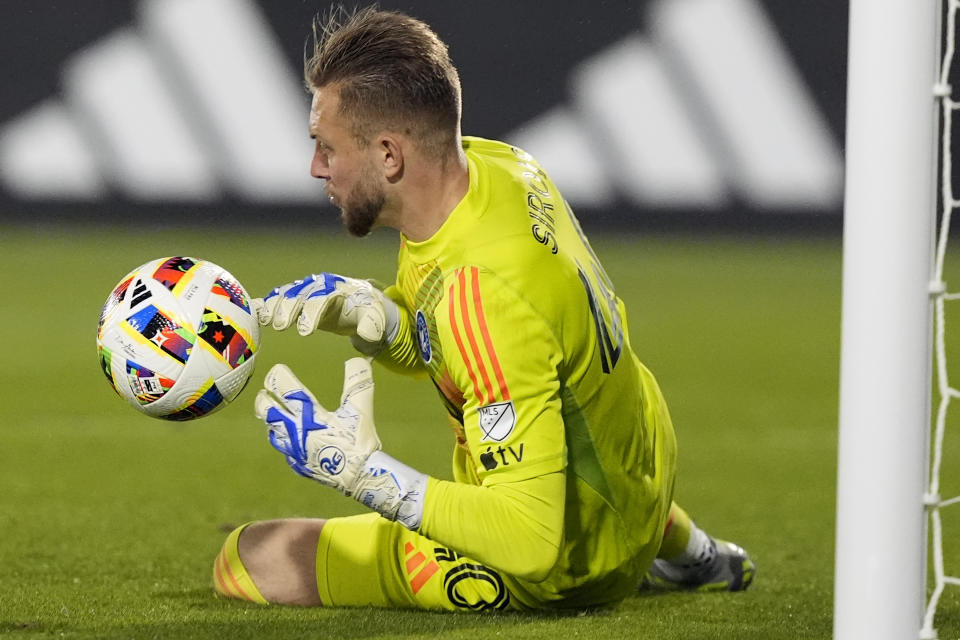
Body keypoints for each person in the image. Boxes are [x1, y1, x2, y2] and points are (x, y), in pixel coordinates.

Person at [211, 6, 755, 610]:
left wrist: (366, 474)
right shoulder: (501, 168)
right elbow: (481, 340)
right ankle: (694, 554)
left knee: (248, 558)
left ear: (390, 155)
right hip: (642, 473)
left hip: (567, 561)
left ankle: (635, 561)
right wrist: (383, 317)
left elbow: (530, 540)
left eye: (326, 147)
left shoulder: (482, 295)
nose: (317, 168)